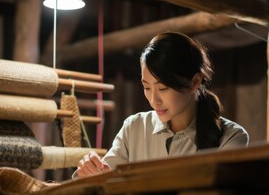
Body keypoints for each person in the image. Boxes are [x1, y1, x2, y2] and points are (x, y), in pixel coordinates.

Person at [75, 32, 249, 178]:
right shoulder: (134, 127)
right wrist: (89, 170)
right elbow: (100, 181)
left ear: (195, 82)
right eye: (146, 87)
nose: (153, 100)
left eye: (163, 88)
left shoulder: (231, 138)